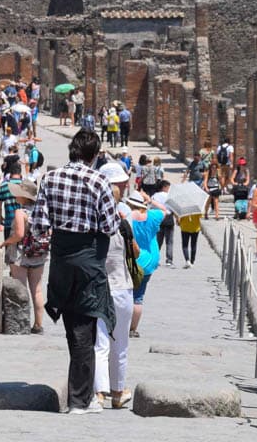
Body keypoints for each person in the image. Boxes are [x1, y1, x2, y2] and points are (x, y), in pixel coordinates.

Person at [31, 128, 119, 414]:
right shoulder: (99, 180)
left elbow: (39, 224)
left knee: (76, 330)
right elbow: (109, 226)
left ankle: (87, 395)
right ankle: (79, 400)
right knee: (84, 330)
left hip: (61, 261)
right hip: (88, 261)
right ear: (94, 155)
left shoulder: (50, 177)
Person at [93, 163, 137, 409]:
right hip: (121, 286)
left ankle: (99, 393)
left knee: (100, 343)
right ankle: (118, 391)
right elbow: (135, 252)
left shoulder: (91, 215)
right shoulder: (123, 216)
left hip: (99, 286)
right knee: (119, 343)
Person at [0, 179, 49, 334]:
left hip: (20, 254)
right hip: (38, 254)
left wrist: (6, 243)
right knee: (37, 290)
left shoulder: (20, 212)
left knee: (21, 290)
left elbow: (19, 234)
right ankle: (39, 324)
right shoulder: (42, 211)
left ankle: (21, 324)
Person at [128, 194, 163, 338]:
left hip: (130, 259)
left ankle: (120, 324)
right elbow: (165, 210)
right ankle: (133, 329)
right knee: (138, 297)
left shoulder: (127, 217)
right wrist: (150, 200)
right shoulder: (153, 216)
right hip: (149, 261)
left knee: (124, 293)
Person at [152, 180, 175, 267]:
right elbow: (173, 207)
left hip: (158, 218)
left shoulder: (155, 196)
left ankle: (156, 260)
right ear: (164, 187)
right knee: (169, 241)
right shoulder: (170, 196)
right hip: (169, 219)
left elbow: (151, 207)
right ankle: (169, 260)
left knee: (158, 241)